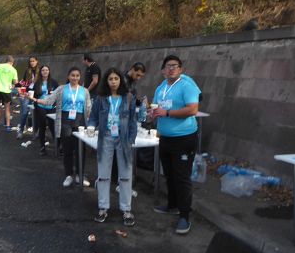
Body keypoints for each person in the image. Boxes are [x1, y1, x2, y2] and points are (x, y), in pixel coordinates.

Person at [150, 55, 201, 235]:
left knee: (182, 177)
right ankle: (172, 205)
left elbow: (192, 109)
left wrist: (167, 113)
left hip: (184, 138)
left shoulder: (187, 85)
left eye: (175, 66)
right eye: (168, 66)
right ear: (163, 70)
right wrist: (153, 114)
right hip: (165, 137)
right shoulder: (161, 88)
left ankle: (185, 215)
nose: (171, 69)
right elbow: (158, 109)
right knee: (169, 174)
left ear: (180, 69)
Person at [88, 68, 138, 225]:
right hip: (106, 138)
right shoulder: (101, 98)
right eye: (110, 79)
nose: (114, 81)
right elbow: (94, 117)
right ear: (106, 81)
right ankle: (103, 208)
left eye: (116, 78)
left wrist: (131, 139)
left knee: (125, 175)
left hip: (123, 140)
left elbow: (132, 121)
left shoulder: (128, 97)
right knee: (103, 174)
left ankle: (126, 210)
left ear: (120, 80)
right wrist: (91, 126)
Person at [30, 67, 92, 187]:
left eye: (77, 75)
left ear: (80, 77)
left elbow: (88, 108)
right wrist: (35, 100)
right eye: (72, 75)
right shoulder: (61, 89)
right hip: (65, 121)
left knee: (81, 149)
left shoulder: (85, 91)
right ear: (68, 76)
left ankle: (80, 175)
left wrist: (91, 121)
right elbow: (49, 101)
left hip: (80, 122)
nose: (75, 78)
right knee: (68, 149)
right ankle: (68, 175)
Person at [31, 65, 58, 156]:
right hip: (40, 106)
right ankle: (42, 147)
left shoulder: (54, 82)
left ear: (49, 71)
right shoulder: (37, 83)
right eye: (43, 70)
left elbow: (58, 95)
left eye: (47, 70)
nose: (45, 71)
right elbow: (33, 95)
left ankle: (57, 147)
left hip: (51, 107)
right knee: (42, 126)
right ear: (41, 72)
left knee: (53, 126)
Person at [0, 55, 18, 133]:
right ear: (12, 62)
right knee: (7, 109)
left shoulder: (0, 65)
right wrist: (13, 86)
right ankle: (8, 126)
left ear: (6, 61)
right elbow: (15, 82)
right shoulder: (13, 69)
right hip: (6, 91)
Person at [16, 56, 39, 140]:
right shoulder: (27, 71)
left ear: (37, 61)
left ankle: (36, 132)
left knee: (37, 113)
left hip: (37, 94)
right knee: (25, 113)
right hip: (27, 94)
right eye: (30, 61)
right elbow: (22, 82)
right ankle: (21, 130)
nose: (32, 63)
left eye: (33, 61)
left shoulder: (40, 71)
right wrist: (21, 92)